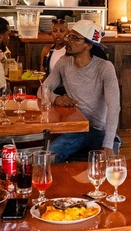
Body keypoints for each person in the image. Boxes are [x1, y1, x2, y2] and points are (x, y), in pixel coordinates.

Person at [44, 20, 120, 163]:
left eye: (75, 38)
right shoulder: (64, 62)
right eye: (69, 36)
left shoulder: (105, 67)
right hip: (75, 129)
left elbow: (114, 107)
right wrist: (55, 98)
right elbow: (43, 89)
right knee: (45, 159)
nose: (68, 40)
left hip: (101, 131)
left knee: (107, 167)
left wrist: (108, 144)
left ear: (88, 45)